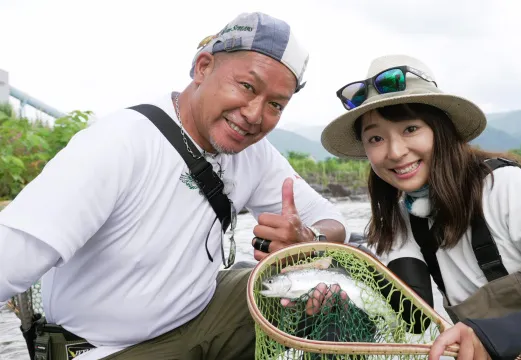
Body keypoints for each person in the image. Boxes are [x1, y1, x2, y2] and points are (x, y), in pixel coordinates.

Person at [0, 12, 349, 360]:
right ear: (203, 67)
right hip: (101, 349)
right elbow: (10, 258)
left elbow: (334, 222)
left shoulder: (255, 153)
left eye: (275, 104)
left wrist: (310, 240)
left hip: (198, 318)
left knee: (332, 284)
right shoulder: (119, 143)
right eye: (247, 86)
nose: (255, 114)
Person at [318, 54, 521, 360]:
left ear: (442, 130)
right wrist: (351, 302)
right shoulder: (402, 220)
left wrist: (506, 329)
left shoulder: (507, 188)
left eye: (410, 129)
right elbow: (415, 321)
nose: (395, 151)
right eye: (375, 139)